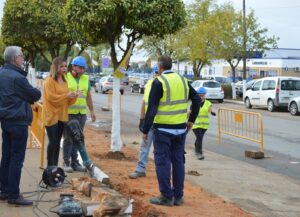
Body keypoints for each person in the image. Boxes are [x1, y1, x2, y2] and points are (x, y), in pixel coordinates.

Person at [143, 55, 200, 206]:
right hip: (180, 130)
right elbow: (197, 99)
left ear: (160, 67)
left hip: (162, 130)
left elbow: (152, 108)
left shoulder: (159, 82)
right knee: (178, 161)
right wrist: (191, 120)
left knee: (162, 162)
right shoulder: (183, 80)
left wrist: (145, 129)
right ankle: (178, 196)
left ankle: (166, 196)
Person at [0, 46, 41, 206]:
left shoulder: (2, 74)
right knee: (17, 158)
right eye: (21, 56)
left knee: (7, 156)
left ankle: (4, 190)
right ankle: (14, 195)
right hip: (18, 121)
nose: (23, 59)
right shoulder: (18, 78)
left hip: (6, 120)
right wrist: (34, 90)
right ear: (14, 58)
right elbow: (35, 95)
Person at [42, 57, 78, 168]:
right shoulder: (49, 80)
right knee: (53, 142)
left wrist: (73, 96)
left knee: (57, 142)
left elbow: (66, 101)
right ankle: (49, 167)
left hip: (62, 115)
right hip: (51, 115)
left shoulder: (65, 80)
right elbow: (51, 97)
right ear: (55, 67)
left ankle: (55, 166)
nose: (64, 68)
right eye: (61, 66)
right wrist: (66, 95)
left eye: (65, 66)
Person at [63, 56, 96, 172]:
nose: (82, 70)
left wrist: (91, 111)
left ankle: (75, 162)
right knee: (68, 139)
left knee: (78, 139)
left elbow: (88, 96)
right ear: (73, 67)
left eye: (83, 68)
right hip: (69, 113)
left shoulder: (86, 79)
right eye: (80, 68)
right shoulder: (65, 77)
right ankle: (66, 162)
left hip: (81, 114)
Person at [129, 65, 159, 179]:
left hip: (161, 123)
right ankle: (140, 169)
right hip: (149, 122)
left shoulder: (165, 85)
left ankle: (160, 171)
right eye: (156, 73)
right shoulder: (150, 84)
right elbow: (144, 102)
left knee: (159, 149)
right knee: (144, 146)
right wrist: (142, 119)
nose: (157, 75)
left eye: (159, 73)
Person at [192, 87, 216, 160]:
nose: (201, 96)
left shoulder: (208, 103)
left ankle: (196, 145)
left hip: (204, 125)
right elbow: (190, 112)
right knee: (199, 137)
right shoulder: (194, 102)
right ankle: (199, 153)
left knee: (199, 138)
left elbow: (209, 109)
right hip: (196, 124)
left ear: (204, 94)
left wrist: (212, 112)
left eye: (202, 94)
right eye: (200, 94)